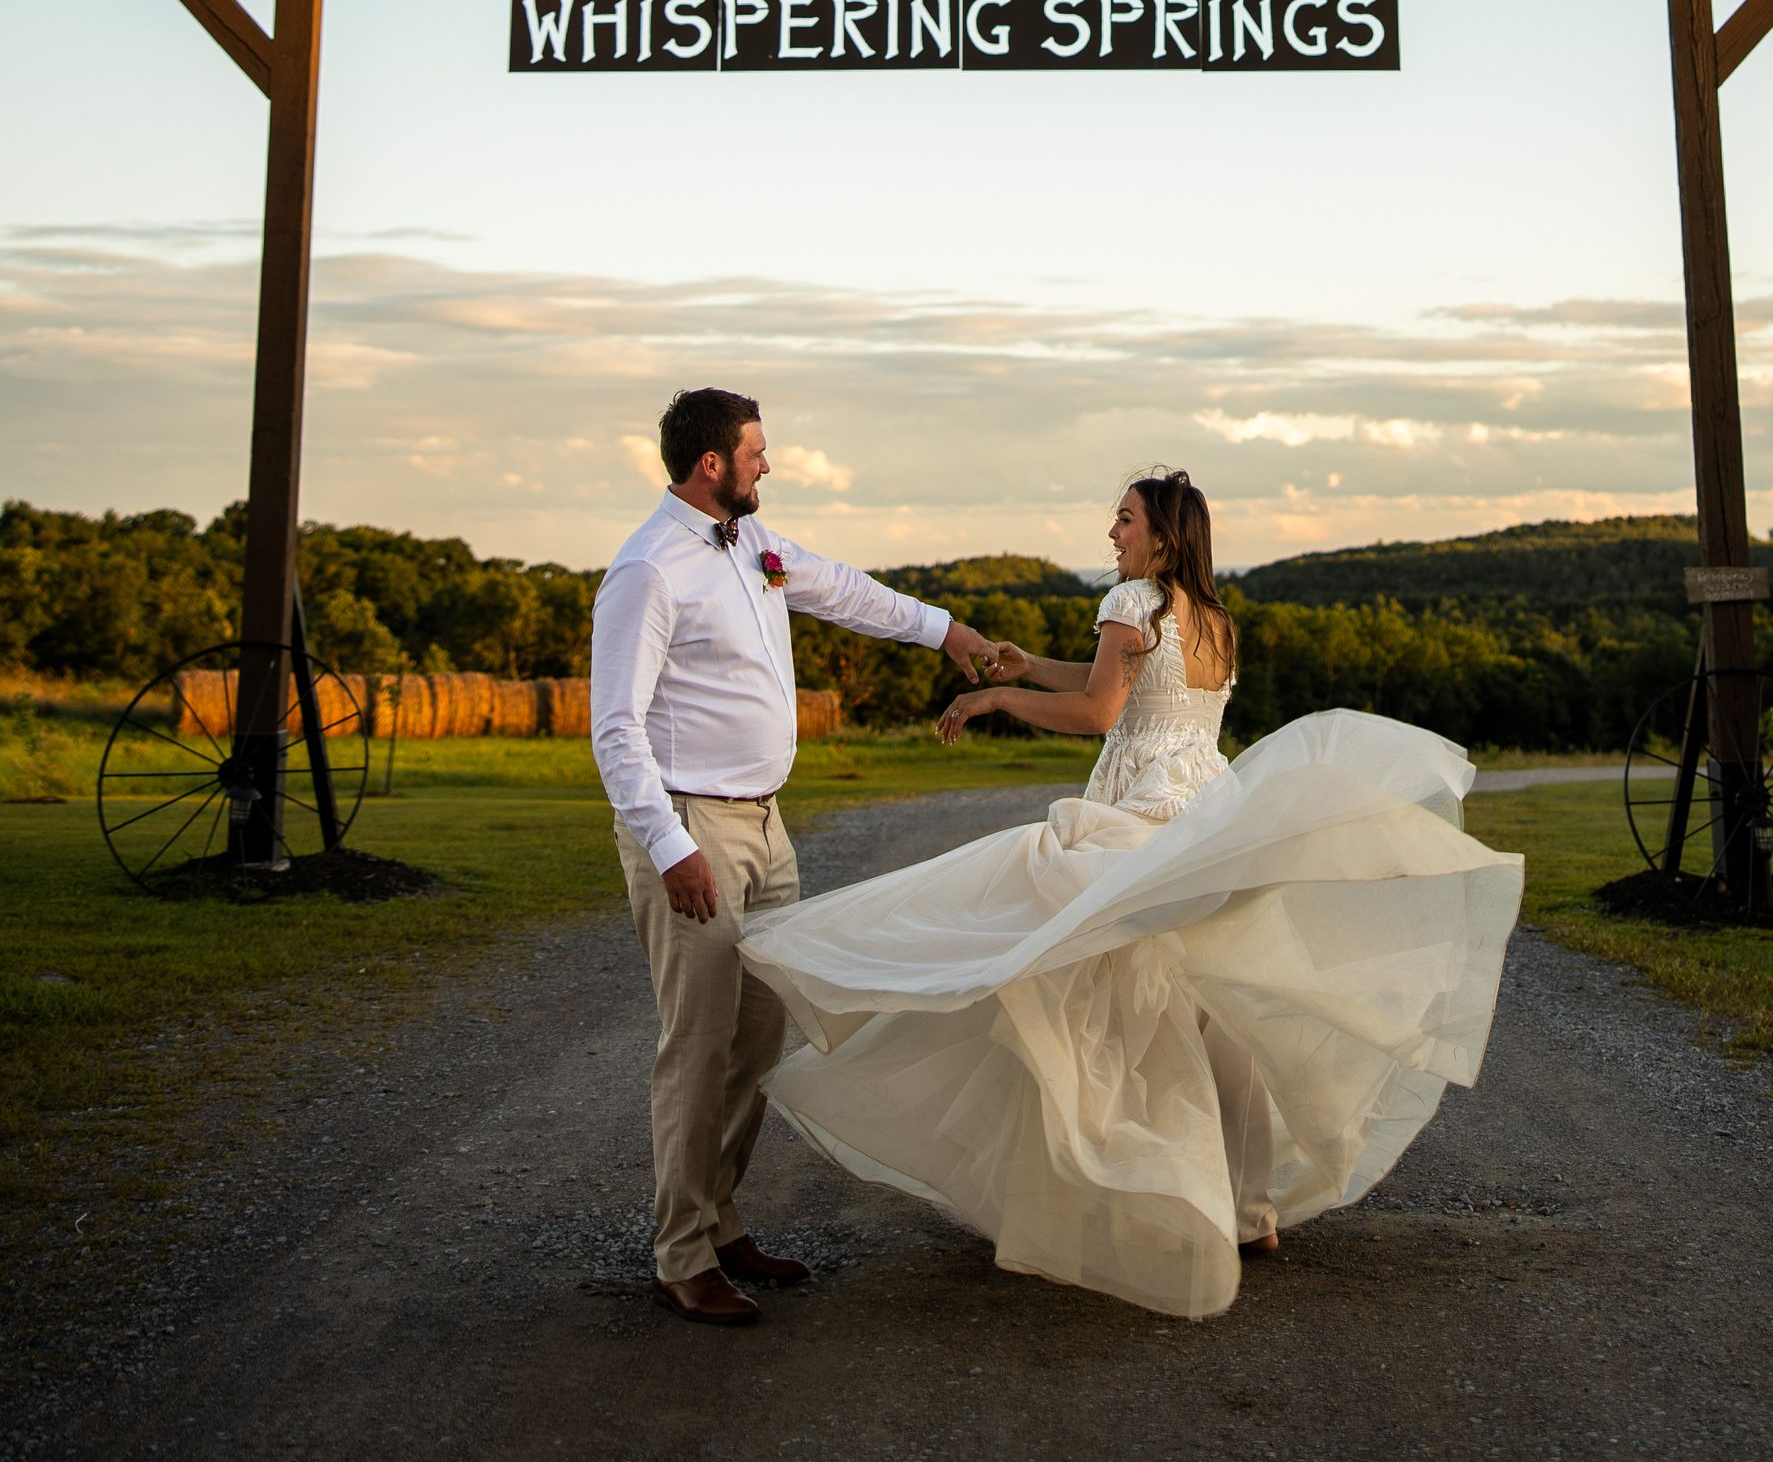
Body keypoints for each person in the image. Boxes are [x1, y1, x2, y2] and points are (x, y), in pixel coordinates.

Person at [737, 469, 1525, 1319]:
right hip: (1212, 823)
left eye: (1124, 519)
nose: (1112, 533)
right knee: (1214, 1011)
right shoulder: (1212, 618)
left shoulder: (1131, 599)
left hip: (1138, 820)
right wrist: (1031, 661)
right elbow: (1126, 680)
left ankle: (1121, 1192)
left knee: (1085, 997)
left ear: (1160, 536)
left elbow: (1102, 711)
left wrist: (1000, 693)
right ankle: (1250, 1209)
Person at [591, 387, 1000, 1327]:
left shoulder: (757, 549)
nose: (768, 464)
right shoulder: (649, 571)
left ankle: (720, 1214)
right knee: (695, 1047)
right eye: (757, 451)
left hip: (767, 828)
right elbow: (614, 728)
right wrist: (668, 845)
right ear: (712, 465)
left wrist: (950, 632)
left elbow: (850, 592)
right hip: (691, 829)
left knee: (758, 1037)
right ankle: (680, 1252)